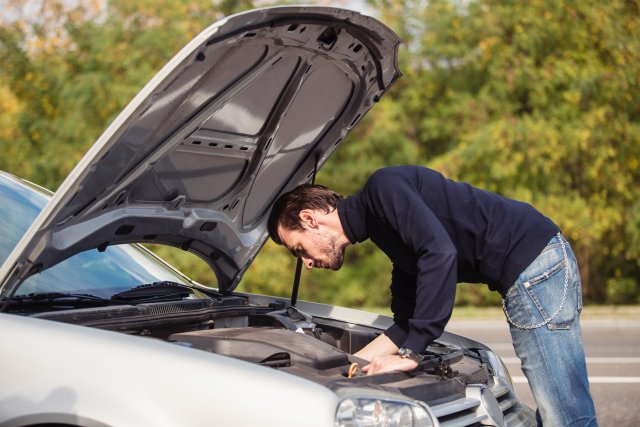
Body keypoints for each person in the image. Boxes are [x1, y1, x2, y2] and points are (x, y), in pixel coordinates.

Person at [267, 165, 597, 426]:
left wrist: (412, 354)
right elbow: (405, 324)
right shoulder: (388, 233)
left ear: (309, 219)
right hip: (532, 267)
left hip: (535, 263)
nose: (307, 263)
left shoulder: (383, 188)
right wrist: (348, 370)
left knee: (565, 415)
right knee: (557, 412)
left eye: (299, 250)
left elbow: (440, 254)